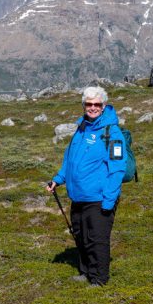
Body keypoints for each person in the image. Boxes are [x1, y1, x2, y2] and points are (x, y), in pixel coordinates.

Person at [46, 86, 125, 286]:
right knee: (80, 235)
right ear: (83, 105)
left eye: (97, 104)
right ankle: (85, 272)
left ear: (104, 105)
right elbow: (70, 160)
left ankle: (99, 278)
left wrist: (109, 199)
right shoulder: (81, 127)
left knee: (96, 239)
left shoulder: (112, 132)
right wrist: (58, 179)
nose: (92, 107)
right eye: (88, 104)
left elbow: (117, 169)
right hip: (78, 195)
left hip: (99, 197)